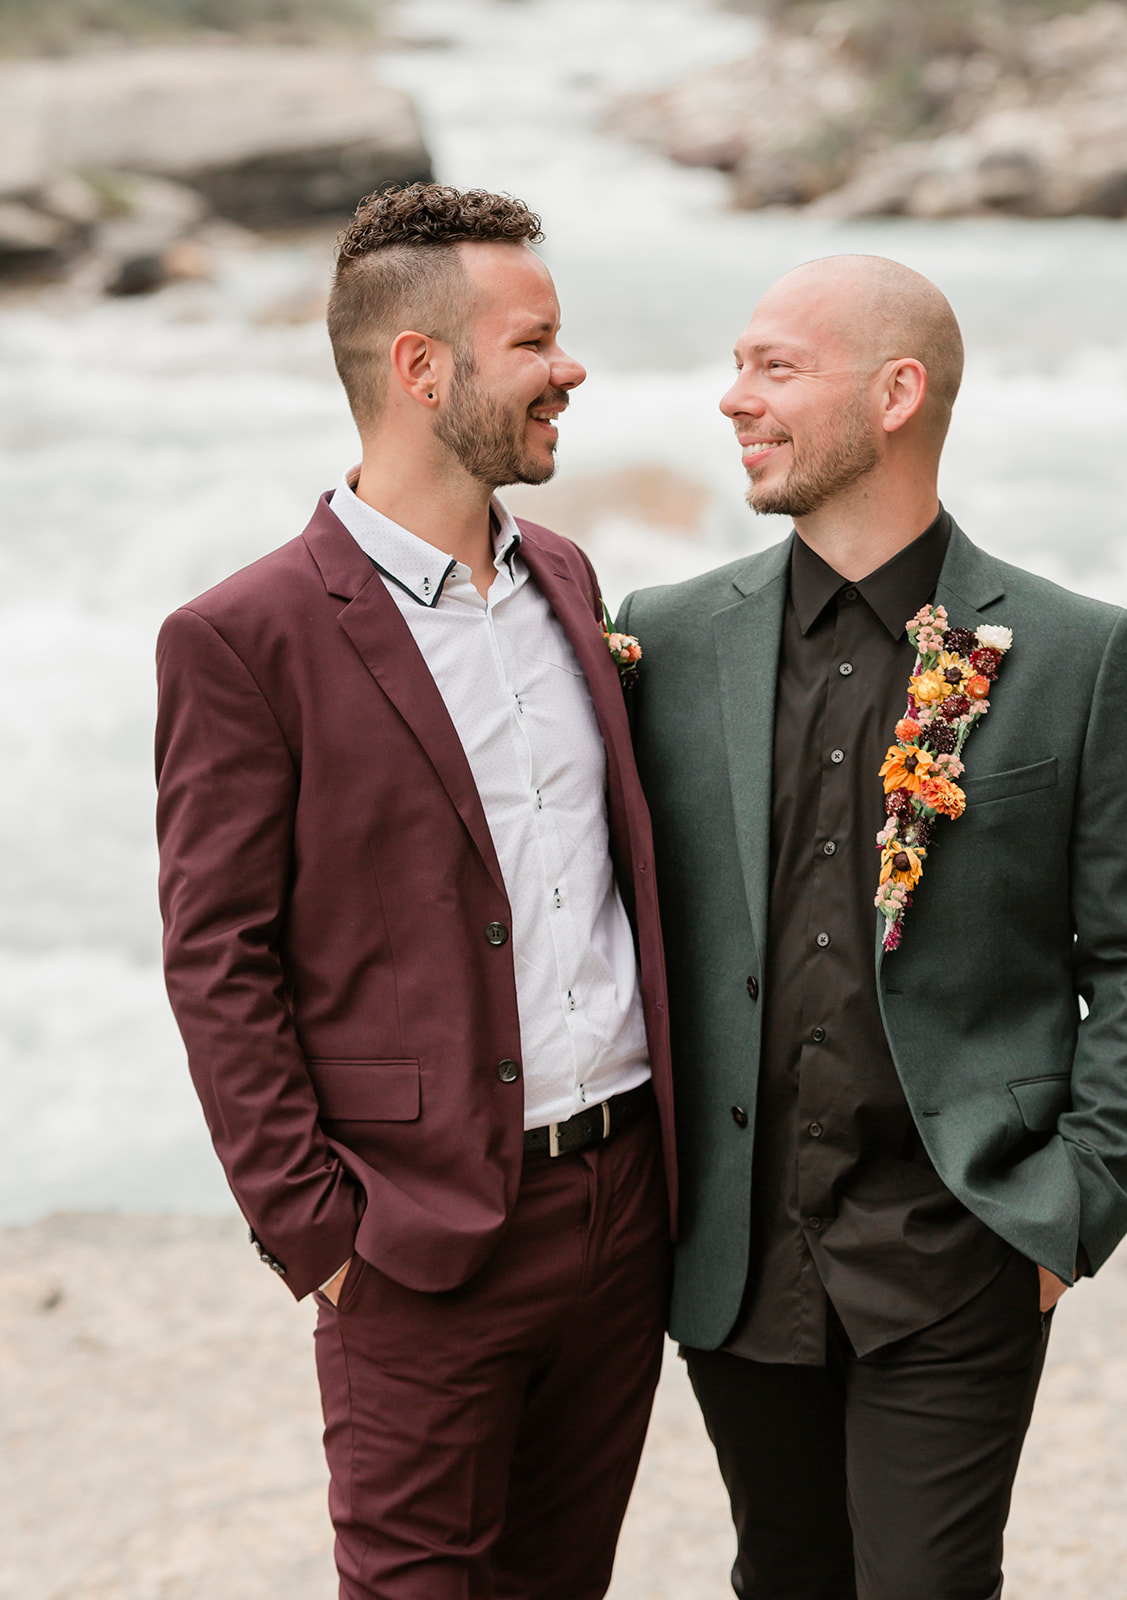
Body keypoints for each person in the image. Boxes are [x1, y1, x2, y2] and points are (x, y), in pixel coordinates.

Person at [617, 254, 1127, 1600]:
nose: (733, 401)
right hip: (735, 1257)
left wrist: (1074, 1200)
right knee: (782, 1576)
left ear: (895, 393)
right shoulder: (667, 639)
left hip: (961, 1248)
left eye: (774, 368)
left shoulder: (1073, 652)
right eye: (736, 366)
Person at [155, 183, 675, 1600]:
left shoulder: (567, 578)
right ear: (421, 370)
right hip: (416, 1234)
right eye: (537, 342)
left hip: (625, 1209)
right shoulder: (239, 638)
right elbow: (219, 958)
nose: (569, 370)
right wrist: (319, 1232)